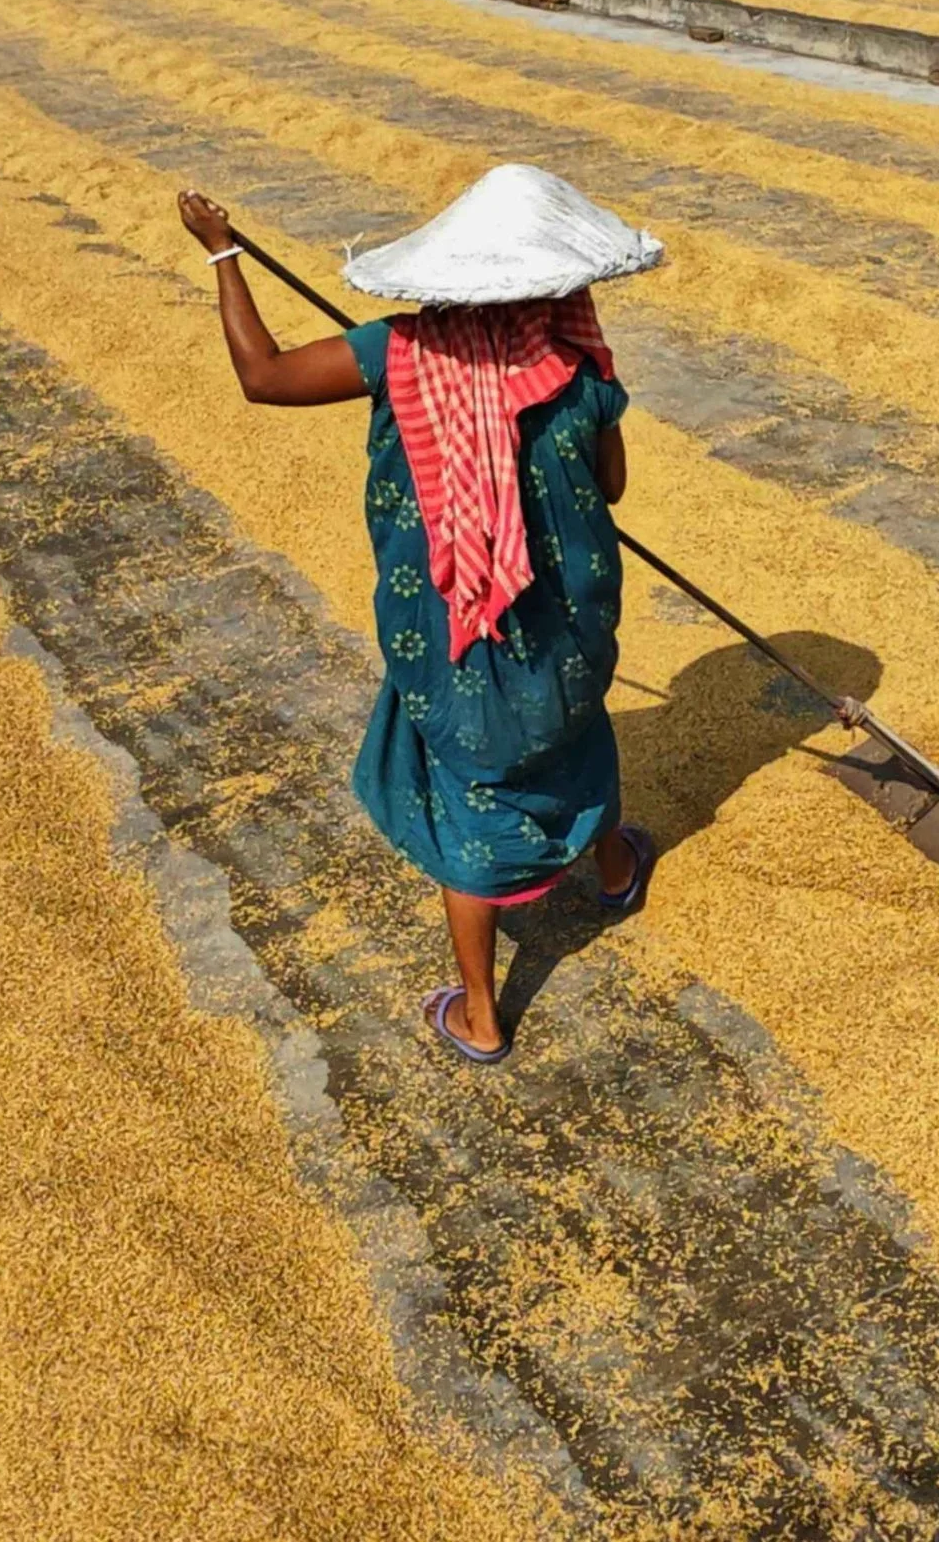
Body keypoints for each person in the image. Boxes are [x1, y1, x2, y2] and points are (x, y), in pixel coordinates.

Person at [176, 165, 668, 1065]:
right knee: (573, 731)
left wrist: (224, 254)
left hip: (458, 629)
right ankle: (613, 870)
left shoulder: (398, 354)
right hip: (565, 624)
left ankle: (482, 1012)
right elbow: (613, 487)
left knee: (472, 781)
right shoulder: (581, 369)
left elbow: (265, 376)